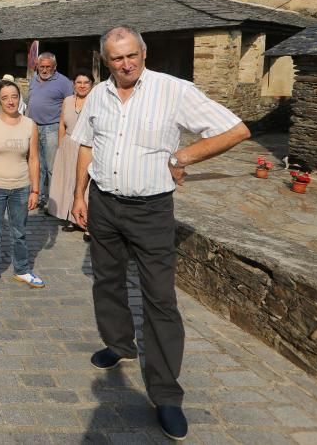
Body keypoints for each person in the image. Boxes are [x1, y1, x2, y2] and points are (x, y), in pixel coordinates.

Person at [69, 26, 250, 441]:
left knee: (160, 300)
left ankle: (166, 393)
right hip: (104, 203)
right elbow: (85, 145)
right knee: (107, 282)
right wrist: (79, 195)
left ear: (144, 53)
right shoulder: (98, 94)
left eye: (132, 55)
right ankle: (119, 344)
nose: (126, 64)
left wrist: (186, 154)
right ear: (105, 61)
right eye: (117, 58)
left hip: (151, 210)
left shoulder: (174, 90)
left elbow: (236, 130)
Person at [0, 80, 42, 290]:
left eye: (13, 96)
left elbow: (34, 159)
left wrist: (35, 189)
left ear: (19, 97)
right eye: (5, 98)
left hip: (21, 186)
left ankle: (22, 270)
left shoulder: (30, 125)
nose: (10, 101)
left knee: (19, 232)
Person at [47, 71, 94, 236]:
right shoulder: (67, 101)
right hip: (68, 144)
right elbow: (61, 124)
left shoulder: (95, 102)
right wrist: (61, 145)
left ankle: (88, 225)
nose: (82, 85)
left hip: (87, 146)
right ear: (74, 84)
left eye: (86, 82)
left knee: (85, 184)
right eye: (78, 82)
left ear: (91, 84)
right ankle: (70, 217)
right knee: (68, 180)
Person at [27, 53, 73, 203]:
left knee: (52, 167)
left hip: (52, 127)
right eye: (42, 67)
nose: (45, 70)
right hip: (34, 127)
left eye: (48, 67)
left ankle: (54, 200)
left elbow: (71, 104)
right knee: (37, 165)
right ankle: (38, 197)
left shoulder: (64, 82)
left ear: (55, 67)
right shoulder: (33, 80)